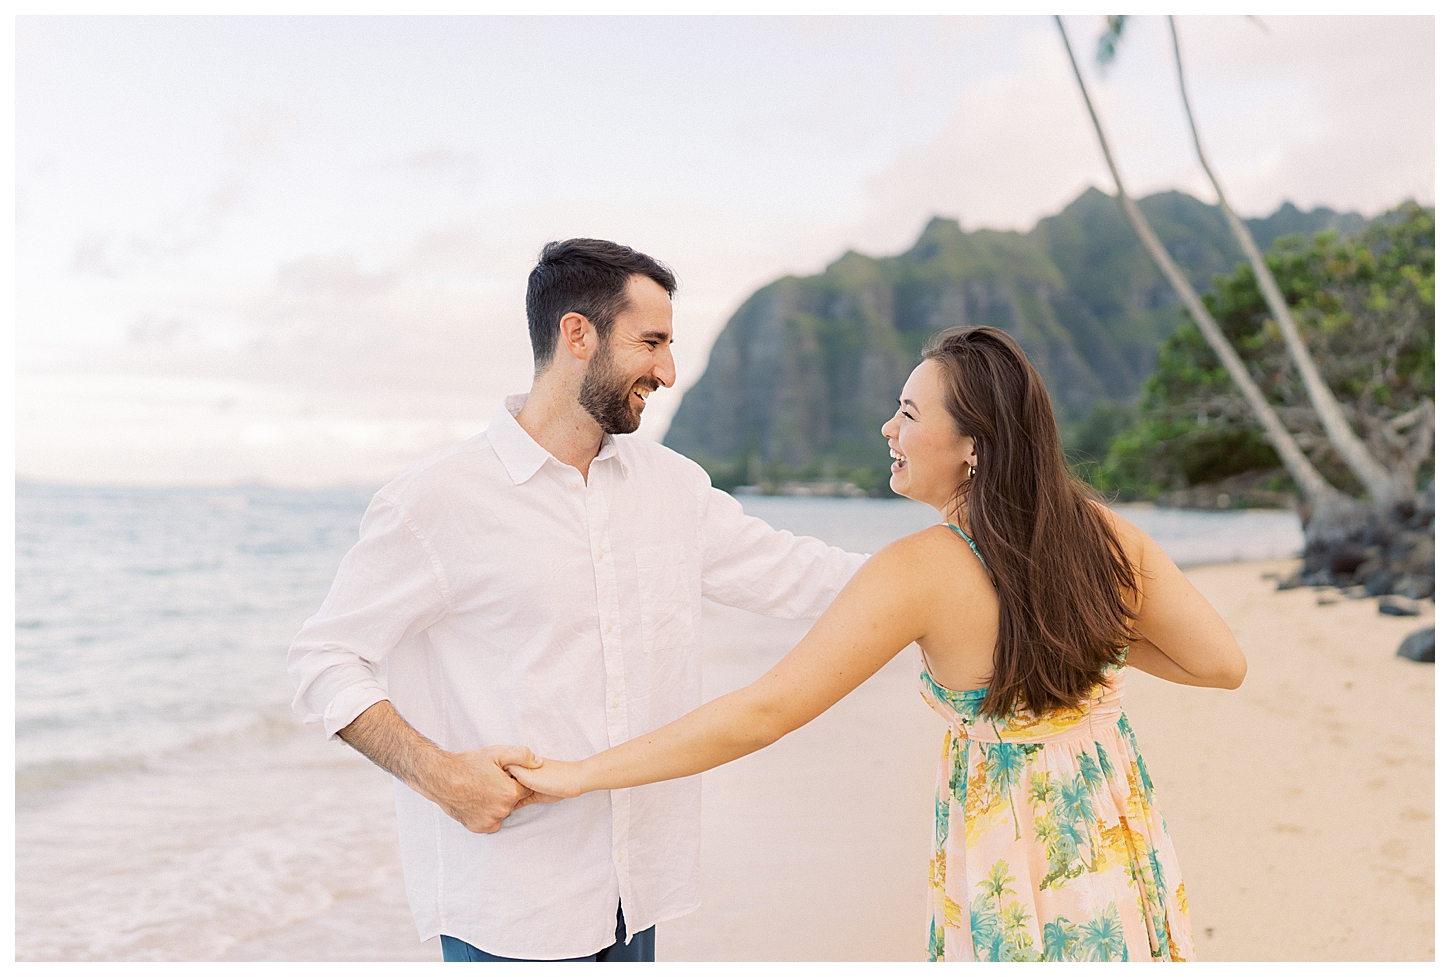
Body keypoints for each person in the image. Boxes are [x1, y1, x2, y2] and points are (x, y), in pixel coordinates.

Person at [509, 325, 1247, 963]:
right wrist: (1082, 623)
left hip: (1014, 866)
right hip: (1116, 846)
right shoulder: (1107, 540)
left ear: (972, 448)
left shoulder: (921, 570)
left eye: (908, 412)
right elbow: (1221, 664)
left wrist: (582, 774)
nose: (888, 429)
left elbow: (765, 711)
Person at [287, 238, 866, 962]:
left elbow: (798, 573)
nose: (668, 369)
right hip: (510, 907)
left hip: (637, 891)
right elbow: (324, 658)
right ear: (577, 334)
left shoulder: (674, 487)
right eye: (651, 341)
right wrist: (441, 777)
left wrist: (960, 569)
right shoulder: (436, 500)